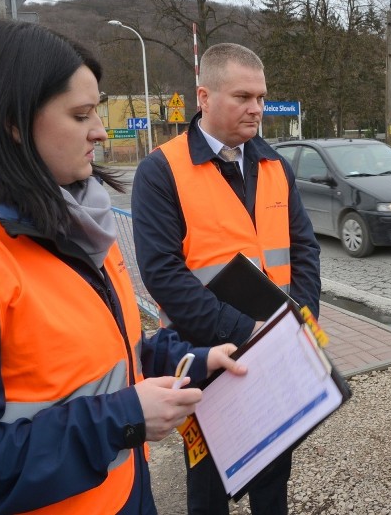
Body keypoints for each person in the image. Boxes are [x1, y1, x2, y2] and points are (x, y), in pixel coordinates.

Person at [0, 20, 245, 514]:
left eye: (98, 110)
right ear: (13, 122)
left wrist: (190, 359)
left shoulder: (77, 219)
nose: (100, 131)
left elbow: (102, 354)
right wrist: (122, 420)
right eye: (81, 114)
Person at [132, 42, 321, 515]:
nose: (256, 108)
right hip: (206, 350)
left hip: (275, 345)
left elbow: (305, 249)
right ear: (204, 96)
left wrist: (300, 321)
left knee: (274, 469)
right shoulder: (161, 170)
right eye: (242, 96)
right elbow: (163, 273)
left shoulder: (274, 163)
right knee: (211, 477)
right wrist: (243, 332)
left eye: (260, 96)